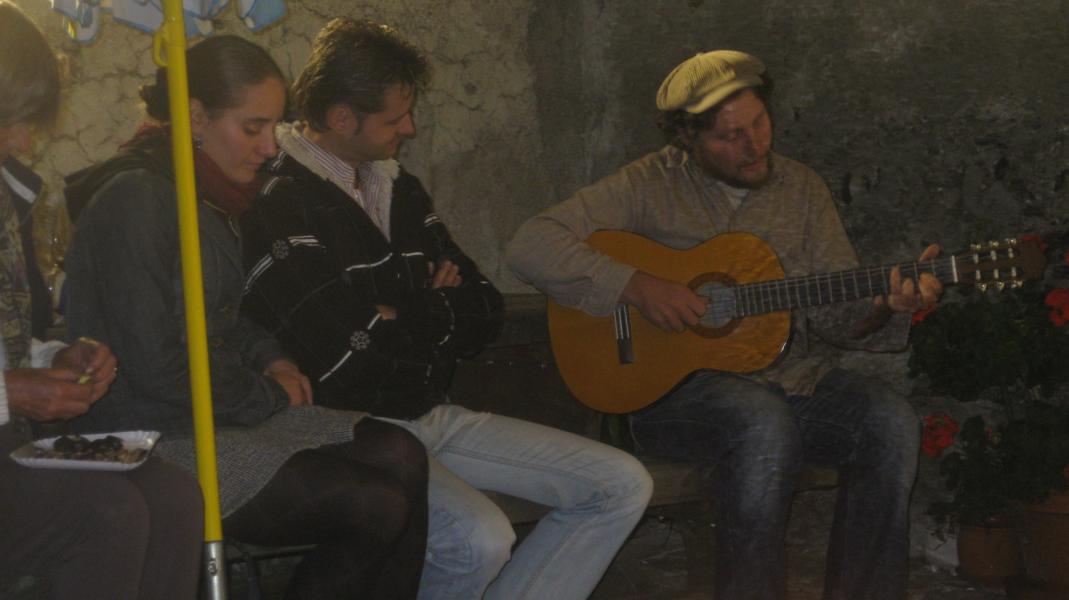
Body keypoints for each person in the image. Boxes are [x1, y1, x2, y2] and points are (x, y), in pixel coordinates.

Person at [239, 18, 653, 600]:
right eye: (395, 119)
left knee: (621, 484)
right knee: (478, 539)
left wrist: (399, 312)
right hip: (350, 431)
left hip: (432, 412)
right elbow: (346, 355)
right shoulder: (278, 199)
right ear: (341, 118)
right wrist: (430, 305)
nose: (409, 129)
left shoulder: (398, 186)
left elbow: (484, 309)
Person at [507, 50, 944, 600]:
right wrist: (635, 286)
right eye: (729, 136)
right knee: (761, 421)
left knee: (890, 419)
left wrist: (886, 306)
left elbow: (837, 319)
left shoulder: (803, 189)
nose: (753, 145)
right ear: (686, 138)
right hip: (675, 394)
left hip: (793, 382)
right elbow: (530, 245)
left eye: (759, 123)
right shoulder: (646, 185)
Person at [63, 34, 428, 599]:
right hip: (147, 431)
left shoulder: (204, 194)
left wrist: (272, 357)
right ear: (195, 117)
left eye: (275, 126)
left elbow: (225, 316)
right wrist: (268, 394)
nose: (269, 146)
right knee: (374, 503)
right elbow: (155, 364)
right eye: (253, 127)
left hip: (211, 411)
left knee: (402, 453)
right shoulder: (136, 199)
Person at [0, 3, 203, 599]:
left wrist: (54, 360)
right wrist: (10, 392)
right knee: (106, 514)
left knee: (175, 496)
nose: (24, 141)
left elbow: (12, 340)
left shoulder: (8, 202)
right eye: (9, 120)